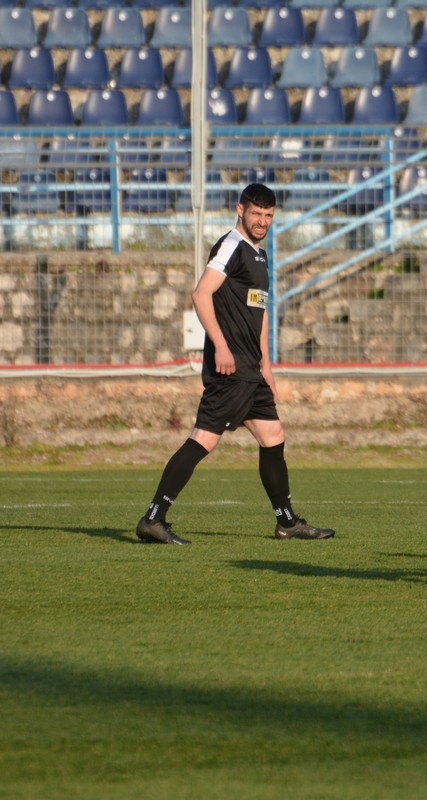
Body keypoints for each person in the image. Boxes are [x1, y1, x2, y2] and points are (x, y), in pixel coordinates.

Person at [135, 183, 334, 544]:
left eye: (269, 215)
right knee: (204, 439)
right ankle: (153, 517)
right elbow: (201, 293)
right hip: (230, 368)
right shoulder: (231, 246)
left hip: (251, 370)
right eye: (256, 213)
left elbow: (258, 313)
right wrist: (221, 346)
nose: (262, 221)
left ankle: (286, 522)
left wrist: (267, 367)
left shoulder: (259, 254)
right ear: (239, 209)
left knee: (273, 436)